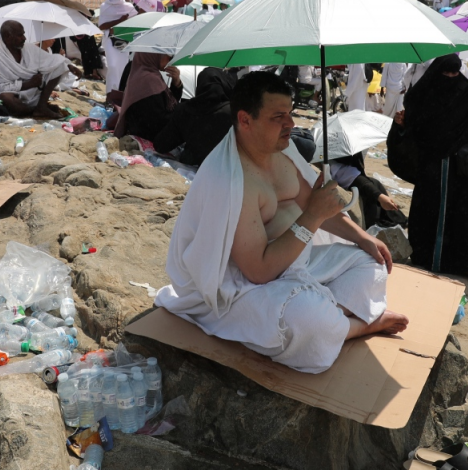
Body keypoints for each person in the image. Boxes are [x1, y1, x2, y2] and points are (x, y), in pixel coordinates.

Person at [154, 72, 407, 374]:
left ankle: (333, 318)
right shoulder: (231, 180)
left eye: (289, 113)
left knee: (371, 261)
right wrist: (312, 217)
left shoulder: (282, 153)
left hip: (297, 263)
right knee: (305, 319)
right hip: (244, 287)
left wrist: (363, 238)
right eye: (278, 117)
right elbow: (258, 271)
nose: (290, 124)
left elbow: (314, 204)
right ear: (245, 120)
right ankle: (356, 326)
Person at [389, 54, 468, 280]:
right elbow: (412, 131)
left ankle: (462, 262)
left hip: (459, 172)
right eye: (445, 73)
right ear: (436, 72)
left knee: (461, 218)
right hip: (431, 169)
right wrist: (401, 125)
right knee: (427, 213)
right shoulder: (423, 96)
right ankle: (423, 255)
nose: (450, 78)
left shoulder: (466, 95)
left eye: (454, 74)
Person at [0, 21, 79, 118]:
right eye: (20, 35)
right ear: (8, 36)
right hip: (14, 94)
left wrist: (69, 66)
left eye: (23, 34)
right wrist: (28, 84)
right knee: (6, 98)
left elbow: (52, 60)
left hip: (33, 92)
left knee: (59, 66)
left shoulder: (27, 47)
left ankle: (41, 106)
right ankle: (36, 109)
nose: (24, 38)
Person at [154, 67, 237, 166]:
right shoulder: (235, 113)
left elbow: (161, 145)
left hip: (192, 167)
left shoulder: (185, 110)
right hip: (224, 169)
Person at [114, 53, 182, 139]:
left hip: (141, 130)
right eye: (169, 57)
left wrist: (176, 82)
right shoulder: (149, 79)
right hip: (147, 134)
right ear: (155, 55)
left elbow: (168, 103)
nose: (170, 61)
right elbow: (159, 118)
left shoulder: (146, 72)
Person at [97, 0, 142, 93]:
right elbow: (102, 25)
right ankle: (110, 93)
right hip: (110, 40)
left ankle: (119, 94)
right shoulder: (105, 6)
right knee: (112, 66)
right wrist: (119, 21)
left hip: (124, 40)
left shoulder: (127, 6)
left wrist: (141, 8)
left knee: (122, 68)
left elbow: (137, 19)